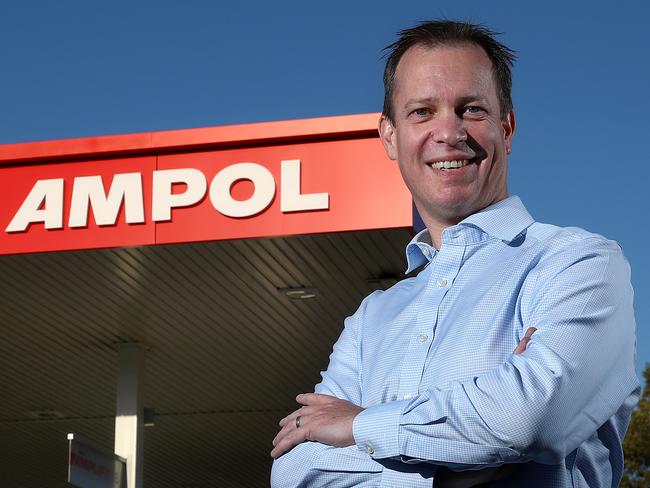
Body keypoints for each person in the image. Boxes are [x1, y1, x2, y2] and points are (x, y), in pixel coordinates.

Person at [270, 20, 639, 487]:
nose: (448, 131)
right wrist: (462, 467)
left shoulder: (580, 264)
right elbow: (295, 468)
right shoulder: (371, 320)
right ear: (389, 136)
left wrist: (361, 425)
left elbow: (531, 422)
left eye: (471, 109)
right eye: (422, 111)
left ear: (506, 126)